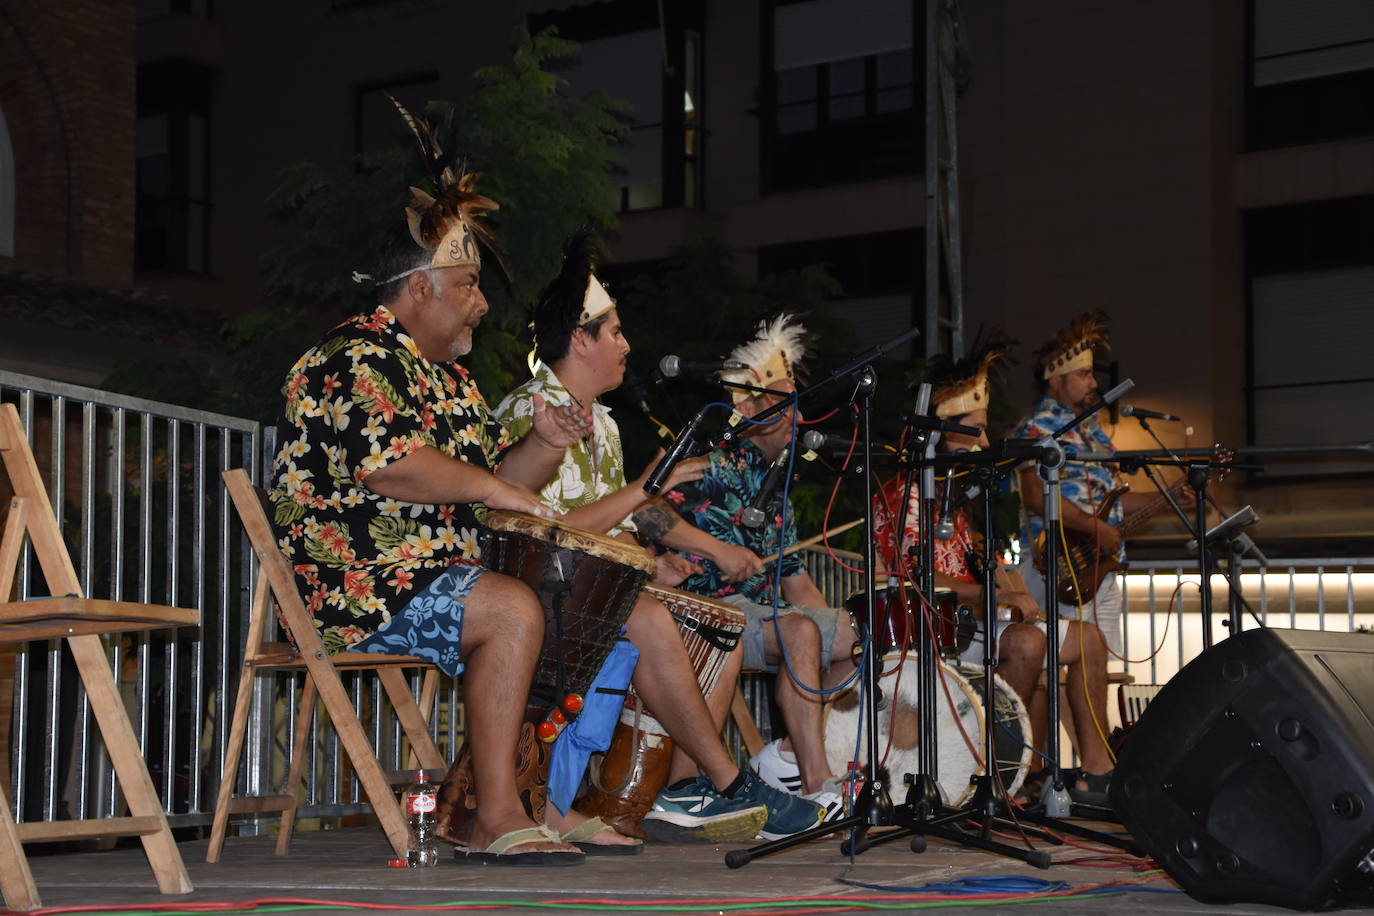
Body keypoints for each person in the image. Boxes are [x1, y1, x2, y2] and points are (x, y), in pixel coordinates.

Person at [269, 121, 592, 864]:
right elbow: (391, 466)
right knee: (513, 606)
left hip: (429, 577)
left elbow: (493, 489)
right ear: (420, 288)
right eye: (469, 286)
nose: (482, 305)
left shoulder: (450, 381)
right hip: (354, 584)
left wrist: (545, 443)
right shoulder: (351, 358)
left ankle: (521, 798)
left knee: (554, 595)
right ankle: (493, 815)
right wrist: (496, 490)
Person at [493, 231, 824, 844]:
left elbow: (609, 529)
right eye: (614, 332)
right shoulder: (529, 409)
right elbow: (545, 535)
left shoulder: (608, 426)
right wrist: (646, 492)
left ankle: (678, 791)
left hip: (589, 589)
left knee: (712, 618)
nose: (626, 344)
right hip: (531, 593)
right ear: (580, 340)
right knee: (647, 617)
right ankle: (730, 783)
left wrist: (652, 560)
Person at [872, 334, 1113, 803]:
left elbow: (978, 563)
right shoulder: (907, 495)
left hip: (974, 626)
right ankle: (995, 777)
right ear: (941, 432)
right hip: (930, 634)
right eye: (976, 430)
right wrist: (998, 597)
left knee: (1087, 637)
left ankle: (1098, 774)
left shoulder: (955, 497)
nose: (986, 441)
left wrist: (1004, 578)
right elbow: (916, 578)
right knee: (1027, 641)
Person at [651, 314, 855, 813]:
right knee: (802, 632)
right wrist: (718, 550)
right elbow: (647, 514)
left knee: (860, 629)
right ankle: (815, 783)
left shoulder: (776, 487)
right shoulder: (711, 456)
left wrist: (838, 637)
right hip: (693, 608)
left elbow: (799, 586)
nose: (799, 418)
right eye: (788, 404)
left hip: (756, 619)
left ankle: (783, 758)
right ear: (752, 405)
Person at [1014, 310, 1189, 804]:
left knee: (1098, 669)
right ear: (1057, 378)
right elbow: (1033, 496)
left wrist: (1173, 494)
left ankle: (1096, 767)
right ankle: (1088, 768)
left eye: (1093, 374)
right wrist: (1096, 529)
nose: (1094, 383)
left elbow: (1114, 501)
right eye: (1085, 374)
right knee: (1065, 665)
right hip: (1062, 567)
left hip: (1101, 569)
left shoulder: (1095, 434)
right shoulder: (1037, 428)